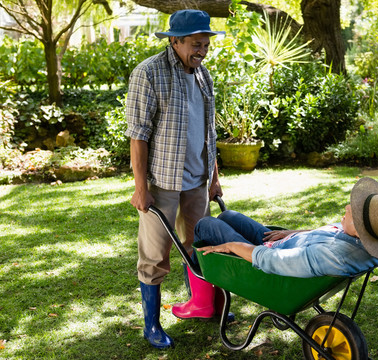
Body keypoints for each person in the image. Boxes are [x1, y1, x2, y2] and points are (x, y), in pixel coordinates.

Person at [124, 9, 225, 349]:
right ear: (175, 41)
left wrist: (213, 177)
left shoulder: (203, 75)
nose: (202, 51)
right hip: (161, 183)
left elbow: (208, 131)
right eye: (196, 44)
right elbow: (138, 135)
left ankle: (201, 304)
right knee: (154, 256)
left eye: (206, 44)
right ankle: (151, 326)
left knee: (201, 244)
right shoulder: (148, 74)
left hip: (197, 180)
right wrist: (141, 188)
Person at [171, 177, 378, 319]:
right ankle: (214, 299)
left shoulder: (331, 256)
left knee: (205, 225)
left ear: (361, 228)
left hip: (264, 262)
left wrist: (233, 246)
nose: (346, 207)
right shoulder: (362, 242)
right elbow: (325, 233)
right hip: (277, 244)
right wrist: (292, 233)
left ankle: (201, 302)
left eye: (351, 211)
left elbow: (273, 262)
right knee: (228, 215)